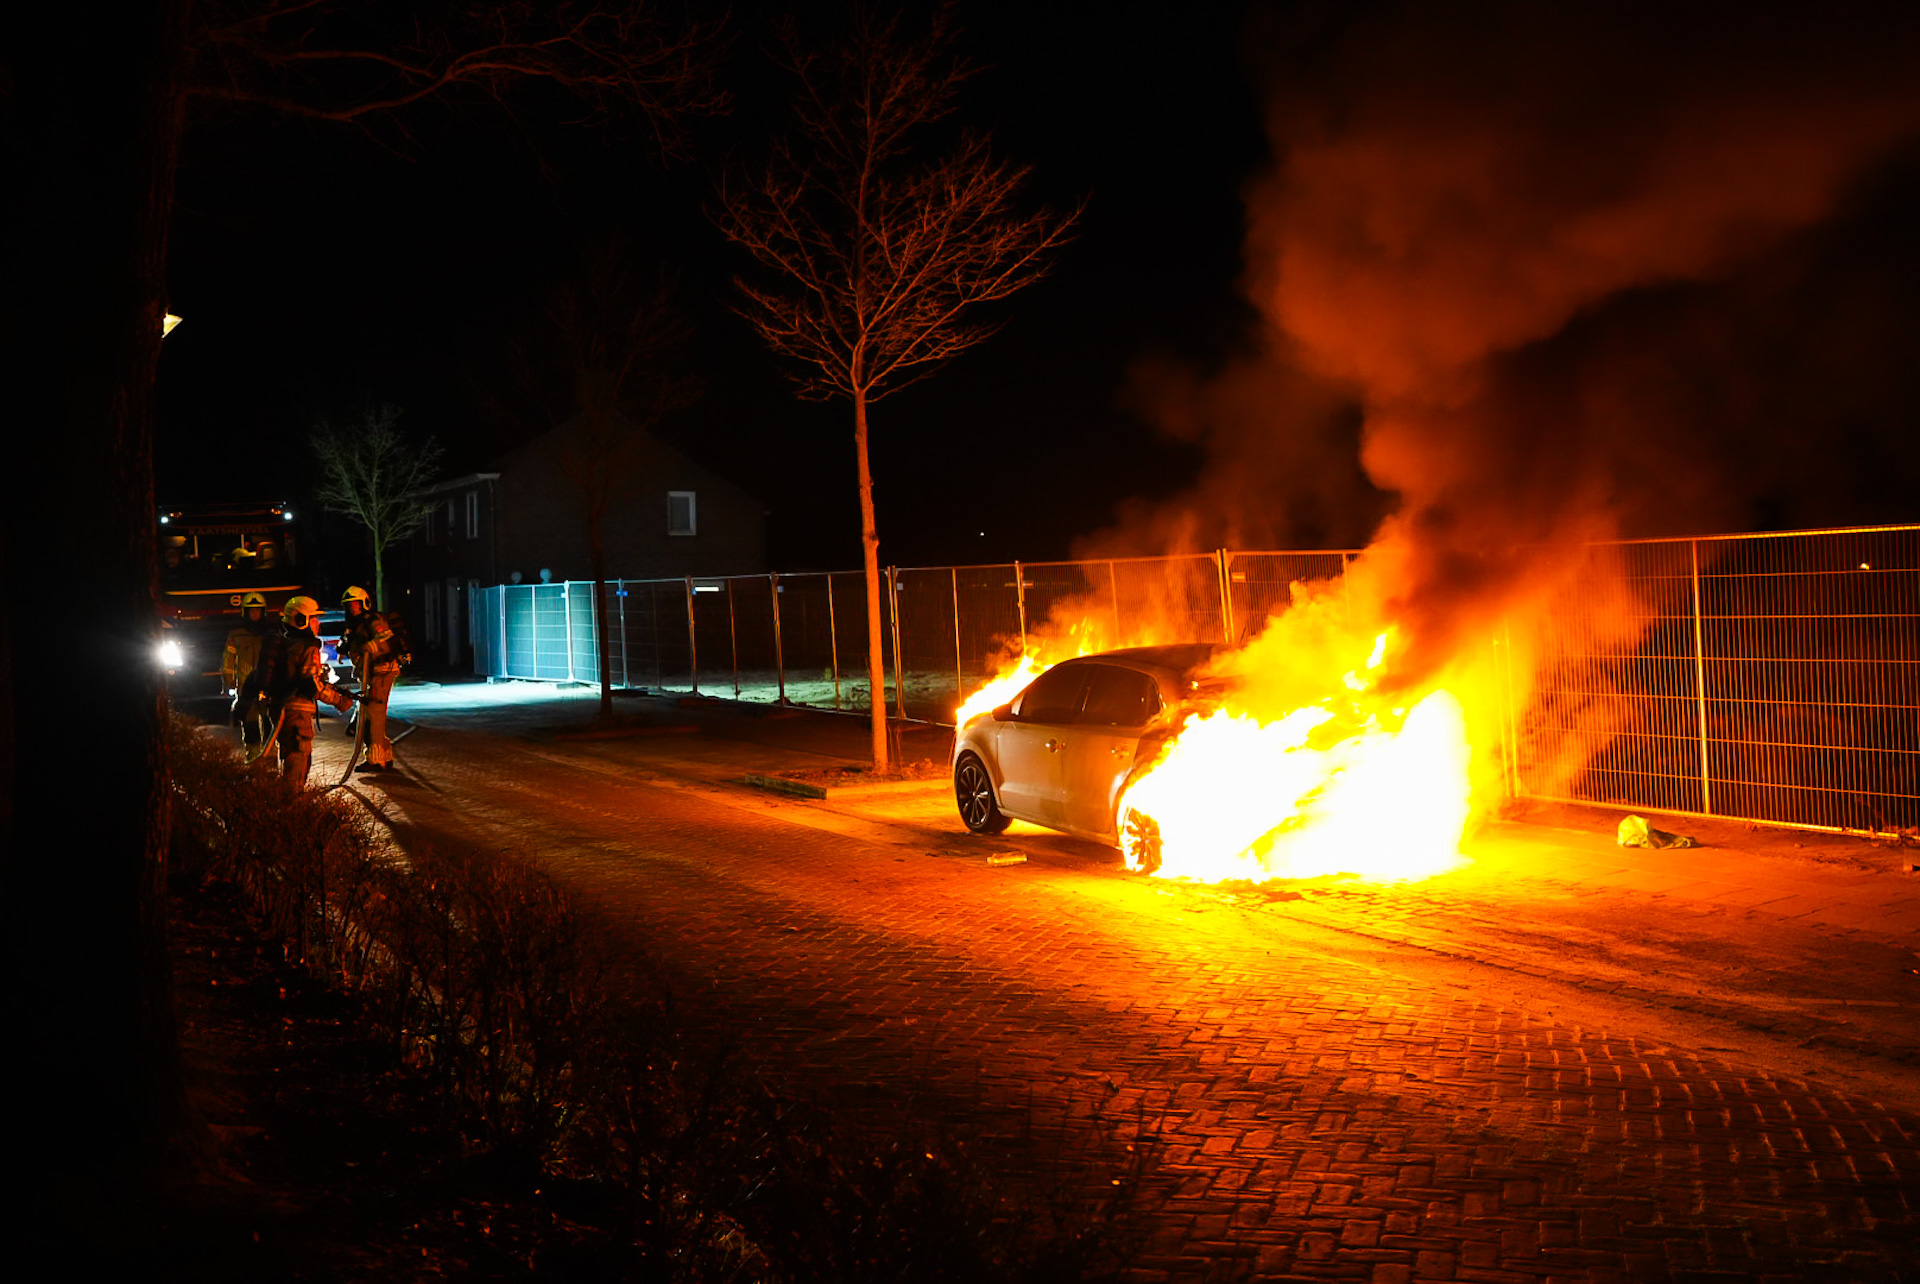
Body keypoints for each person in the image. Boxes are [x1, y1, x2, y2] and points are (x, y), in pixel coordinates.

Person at [238, 595, 354, 786]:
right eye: (314, 618)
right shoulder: (307, 648)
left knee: (289, 757)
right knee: (297, 761)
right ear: (302, 620)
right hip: (297, 713)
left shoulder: (286, 643)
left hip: (281, 710)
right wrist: (339, 701)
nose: (317, 623)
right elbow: (311, 685)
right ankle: (292, 806)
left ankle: (288, 803)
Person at [339, 585, 409, 773]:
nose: (352, 609)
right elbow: (348, 644)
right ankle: (383, 755)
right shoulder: (354, 626)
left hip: (382, 671)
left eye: (355, 605)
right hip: (369, 673)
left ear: (364, 604)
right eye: (349, 606)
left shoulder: (373, 620)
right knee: (369, 715)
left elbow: (386, 640)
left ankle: (376, 758)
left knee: (374, 715)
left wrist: (373, 646)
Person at [221, 591, 274, 746]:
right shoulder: (236, 635)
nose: (254, 613)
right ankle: (253, 759)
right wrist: (228, 681)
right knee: (250, 726)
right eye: (251, 610)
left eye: (257, 610)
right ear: (245, 612)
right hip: (246, 688)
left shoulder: (271, 634)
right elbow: (228, 660)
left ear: (263, 612)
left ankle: (270, 761)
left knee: (269, 725)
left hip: (267, 686)